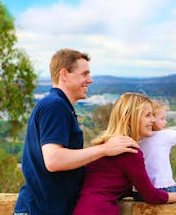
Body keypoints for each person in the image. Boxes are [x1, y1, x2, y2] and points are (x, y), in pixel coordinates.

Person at [14, 49, 139, 215]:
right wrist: (105, 149)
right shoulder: (55, 106)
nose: (90, 80)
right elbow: (54, 160)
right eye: (84, 74)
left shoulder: (59, 105)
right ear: (64, 75)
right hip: (40, 209)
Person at [72, 93, 176, 215]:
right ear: (129, 119)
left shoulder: (105, 144)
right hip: (101, 210)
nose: (153, 120)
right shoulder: (129, 151)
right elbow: (150, 195)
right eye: (147, 115)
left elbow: (111, 186)